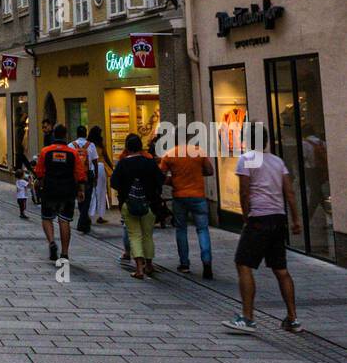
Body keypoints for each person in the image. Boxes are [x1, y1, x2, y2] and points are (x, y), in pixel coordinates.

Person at [223, 124, 303, 334]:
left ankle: (248, 318)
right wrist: (295, 219)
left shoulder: (247, 159)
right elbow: (290, 192)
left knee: (243, 264)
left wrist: (246, 216)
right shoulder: (278, 162)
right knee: (281, 269)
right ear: (266, 140)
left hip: (259, 217)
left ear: (247, 139)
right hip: (278, 218)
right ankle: (293, 319)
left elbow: (244, 192)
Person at [111, 133, 164, 278]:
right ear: (140, 147)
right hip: (149, 204)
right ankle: (150, 265)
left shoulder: (123, 163)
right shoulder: (149, 162)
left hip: (129, 204)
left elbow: (114, 183)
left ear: (127, 148)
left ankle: (139, 269)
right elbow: (161, 179)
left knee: (134, 235)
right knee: (148, 235)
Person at [159, 138, 215, 277]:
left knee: (181, 229)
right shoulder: (198, 152)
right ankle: (207, 262)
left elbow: (160, 176)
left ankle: (184, 264)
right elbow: (209, 171)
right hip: (198, 195)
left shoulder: (170, 154)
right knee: (202, 229)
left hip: (179, 196)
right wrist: (195, 173)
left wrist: (174, 181)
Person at [34, 124, 87, 265]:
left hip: (50, 189)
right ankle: (64, 253)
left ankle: (52, 242)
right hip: (67, 190)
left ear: (54, 135)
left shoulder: (46, 152)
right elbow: (80, 173)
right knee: (64, 221)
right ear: (65, 135)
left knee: (47, 218)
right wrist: (81, 190)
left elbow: (39, 171)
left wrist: (39, 183)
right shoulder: (73, 153)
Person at [73, 125, 97, 233]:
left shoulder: (71, 145)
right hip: (88, 174)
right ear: (86, 133)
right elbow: (95, 162)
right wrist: (95, 175)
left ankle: (84, 221)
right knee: (87, 198)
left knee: (80, 197)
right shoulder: (91, 145)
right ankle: (83, 222)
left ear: (77, 134)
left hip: (77, 176)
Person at [87, 125, 112, 224]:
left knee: (91, 192)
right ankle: (100, 216)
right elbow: (106, 157)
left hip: (91, 168)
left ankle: (89, 214)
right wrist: (112, 167)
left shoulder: (88, 145)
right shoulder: (100, 144)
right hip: (101, 167)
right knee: (101, 192)